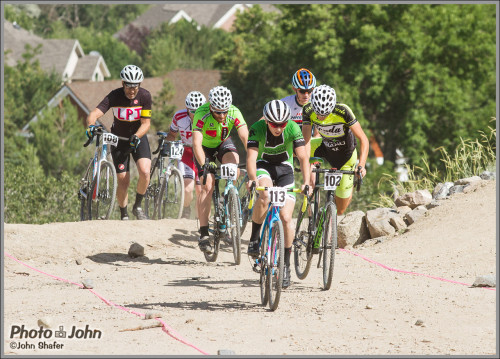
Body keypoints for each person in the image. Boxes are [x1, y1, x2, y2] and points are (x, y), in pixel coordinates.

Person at [246, 99, 311, 289]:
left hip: (285, 169)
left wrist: (306, 182)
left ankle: (286, 266)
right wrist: (252, 178)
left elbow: (303, 157)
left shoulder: (292, 128)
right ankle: (255, 238)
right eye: (274, 124)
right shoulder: (257, 128)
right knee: (264, 196)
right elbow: (251, 157)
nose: (278, 128)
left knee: (285, 217)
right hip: (263, 167)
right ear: (266, 121)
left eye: (282, 124)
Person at [86, 64, 152, 220]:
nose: (132, 90)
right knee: (123, 180)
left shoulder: (145, 96)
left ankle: (137, 206)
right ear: (123, 83)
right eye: (129, 86)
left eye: (135, 87)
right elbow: (94, 114)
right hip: (118, 140)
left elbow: (146, 123)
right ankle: (124, 214)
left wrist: (137, 136)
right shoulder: (114, 96)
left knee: (145, 172)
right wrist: (90, 126)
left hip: (137, 138)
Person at [192, 86, 249, 254]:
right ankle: (203, 235)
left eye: (224, 112)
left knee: (234, 169)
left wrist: (255, 159)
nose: (222, 116)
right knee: (207, 185)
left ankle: (227, 198)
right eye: (218, 113)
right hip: (204, 148)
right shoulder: (201, 113)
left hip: (223, 143)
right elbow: (196, 143)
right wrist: (204, 164)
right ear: (210, 107)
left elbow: (245, 137)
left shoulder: (234, 112)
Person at [302, 84, 369, 215]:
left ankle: (328, 217)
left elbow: (364, 140)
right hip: (324, 146)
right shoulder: (308, 110)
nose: (321, 117)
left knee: (340, 209)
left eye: (325, 113)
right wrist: (305, 165)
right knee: (297, 149)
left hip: (346, 156)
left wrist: (361, 165)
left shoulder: (343, 111)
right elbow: (306, 142)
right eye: (318, 113)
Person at [166, 91, 206, 219]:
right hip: (186, 153)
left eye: (198, 111)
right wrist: (166, 145)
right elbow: (172, 134)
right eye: (192, 111)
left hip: (203, 153)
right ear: (187, 108)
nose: (195, 114)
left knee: (201, 190)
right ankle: (186, 209)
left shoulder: (209, 117)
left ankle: (200, 218)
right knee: (188, 189)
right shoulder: (179, 116)